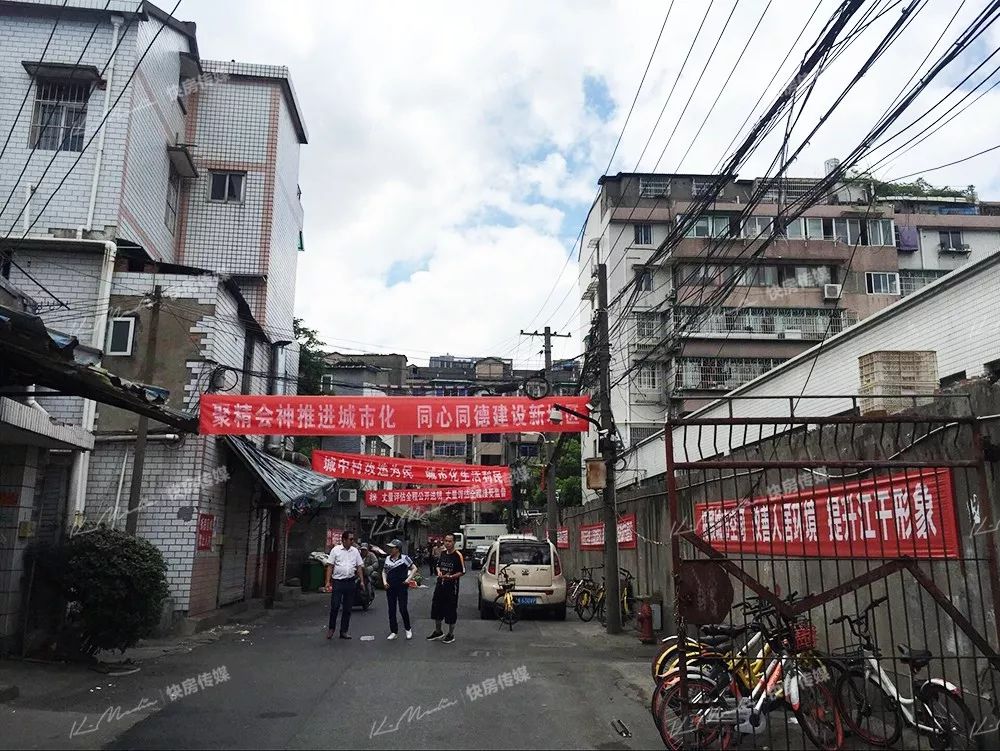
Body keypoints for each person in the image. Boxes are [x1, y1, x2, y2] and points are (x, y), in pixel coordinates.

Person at [324, 530, 365, 640]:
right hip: (338, 582)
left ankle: (344, 631)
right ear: (344, 540)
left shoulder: (355, 551)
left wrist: (361, 581)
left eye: (353, 539)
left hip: (350, 581)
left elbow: (359, 566)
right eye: (350, 539)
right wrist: (327, 582)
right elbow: (330, 566)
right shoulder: (335, 550)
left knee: (347, 608)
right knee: (335, 606)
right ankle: (331, 628)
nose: (352, 541)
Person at [426, 533, 465, 644]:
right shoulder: (443, 553)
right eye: (446, 541)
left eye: (450, 541)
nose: (447, 543)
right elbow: (438, 565)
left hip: (451, 587)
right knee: (436, 606)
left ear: (454, 542)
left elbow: (462, 571)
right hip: (440, 585)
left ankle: (451, 634)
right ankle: (438, 631)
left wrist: (451, 577)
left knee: (451, 609)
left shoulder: (458, 555)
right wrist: (438, 571)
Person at [381, 539, 416, 640]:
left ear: (398, 549)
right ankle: (393, 631)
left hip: (401, 587)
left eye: (392, 548)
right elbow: (384, 571)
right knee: (391, 610)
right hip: (390, 587)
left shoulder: (405, 558)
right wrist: (384, 582)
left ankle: (408, 628)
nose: (390, 549)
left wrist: (408, 579)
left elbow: (414, 568)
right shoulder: (387, 559)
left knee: (402, 608)